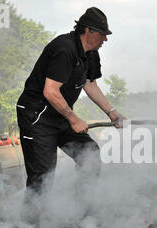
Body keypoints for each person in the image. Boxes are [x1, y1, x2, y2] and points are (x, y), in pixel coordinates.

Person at [16, 7, 126, 195]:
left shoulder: (91, 53)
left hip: (59, 115)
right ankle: (29, 225)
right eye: (102, 34)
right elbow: (50, 91)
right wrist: (74, 119)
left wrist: (111, 111)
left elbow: (90, 84)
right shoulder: (64, 48)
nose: (105, 40)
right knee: (42, 177)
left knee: (89, 154)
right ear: (87, 30)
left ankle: (79, 212)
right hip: (37, 118)